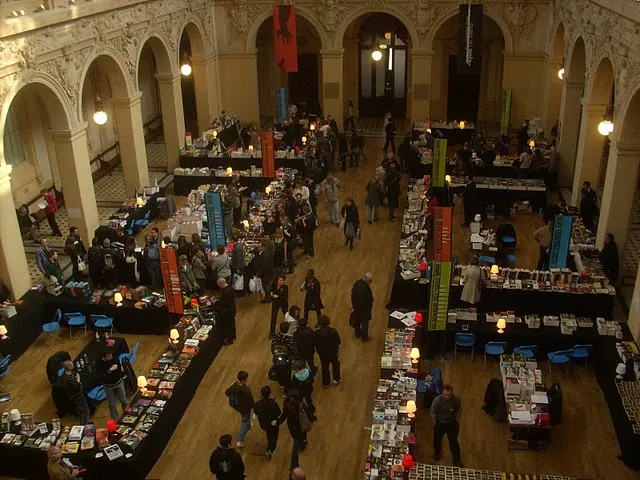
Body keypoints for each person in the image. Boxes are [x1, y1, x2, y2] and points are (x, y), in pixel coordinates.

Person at [276, 388, 313, 471]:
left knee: (297, 439)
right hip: (301, 424)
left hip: (292, 426)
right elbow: (308, 412)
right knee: (296, 444)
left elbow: (283, 417)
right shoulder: (300, 404)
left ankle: (303, 444)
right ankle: (294, 463)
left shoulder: (287, 405)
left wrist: (277, 423)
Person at [430, 384, 463, 467]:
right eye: (445, 395)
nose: (447, 397)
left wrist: (457, 420)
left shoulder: (456, 399)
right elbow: (433, 413)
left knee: (454, 443)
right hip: (440, 423)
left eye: (449, 395)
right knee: (437, 440)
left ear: (452, 393)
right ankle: (437, 453)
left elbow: (458, 410)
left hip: (451, 423)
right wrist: (435, 424)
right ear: (442, 393)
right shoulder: (437, 400)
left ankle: (456, 461)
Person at [225, 371, 255, 448]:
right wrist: (254, 408)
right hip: (244, 407)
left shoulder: (234, 385)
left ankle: (248, 426)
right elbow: (251, 401)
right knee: (244, 421)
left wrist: (231, 386)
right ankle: (240, 440)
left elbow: (227, 393)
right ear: (243, 380)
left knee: (246, 419)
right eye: (246, 378)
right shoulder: (247, 390)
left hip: (236, 406)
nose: (247, 379)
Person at [253, 385, 282, 460]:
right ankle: (270, 450)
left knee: (269, 434)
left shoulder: (258, 404)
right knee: (273, 437)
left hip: (263, 424)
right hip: (273, 425)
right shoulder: (273, 403)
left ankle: (270, 447)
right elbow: (279, 413)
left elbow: (255, 412)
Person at [97, 349, 126, 420]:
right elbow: (101, 377)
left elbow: (119, 368)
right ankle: (116, 421)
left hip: (119, 383)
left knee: (124, 401)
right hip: (108, 387)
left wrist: (121, 372)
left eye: (111, 355)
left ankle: (127, 415)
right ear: (104, 358)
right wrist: (110, 370)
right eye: (109, 356)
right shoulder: (98, 364)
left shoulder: (114, 358)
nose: (111, 357)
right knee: (112, 404)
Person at [313, 315, 341, 387]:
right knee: (336, 364)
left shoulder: (316, 333)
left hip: (322, 353)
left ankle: (326, 383)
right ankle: (336, 379)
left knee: (324, 366)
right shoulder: (333, 331)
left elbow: (315, 343)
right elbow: (338, 342)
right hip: (333, 352)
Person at [271, 322, 299, 394]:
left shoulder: (275, 337)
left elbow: (272, 347)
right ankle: (286, 392)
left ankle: (281, 383)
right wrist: (296, 358)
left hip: (277, 358)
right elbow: (293, 350)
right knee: (287, 374)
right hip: (287, 360)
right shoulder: (289, 339)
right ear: (288, 329)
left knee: (279, 370)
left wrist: (275, 355)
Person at [61, 360, 89, 425]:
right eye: (71, 365)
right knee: (86, 411)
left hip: (77, 395)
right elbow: (77, 386)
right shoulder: (68, 379)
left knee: (80, 410)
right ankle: (83, 425)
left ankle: (81, 422)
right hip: (77, 396)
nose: (73, 365)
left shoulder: (71, 372)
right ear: (68, 367)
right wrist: (78, 380)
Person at [351, 273, 373, 342]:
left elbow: (352, 293)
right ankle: (364, 337)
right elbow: (368, 300)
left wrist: (353, 304)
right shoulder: (366, 289)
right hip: (364, 310)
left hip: (356, 306)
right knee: (365, 323)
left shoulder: (357, 282)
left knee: (357, 321)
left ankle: (357, 334)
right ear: (368, 281)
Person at [215, 277, 237, 345]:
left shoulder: (226, 292)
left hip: (228, 311)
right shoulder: (230, 287)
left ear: (221, 284)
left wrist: (215, 302)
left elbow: (224, 303)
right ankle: (233, 336)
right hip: (232, 309)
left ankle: (229, 340)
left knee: (228, 326)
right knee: (232, 324)